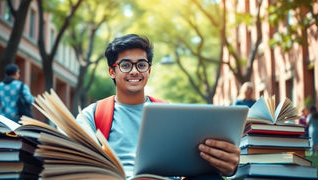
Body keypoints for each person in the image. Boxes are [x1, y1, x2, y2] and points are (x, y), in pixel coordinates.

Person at [76, 34, 240, 179]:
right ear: (112, 71)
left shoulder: (172, 114)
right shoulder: (91, 116)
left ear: (149, 70)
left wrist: (229, 167)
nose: (134, 71)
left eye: (141, 65)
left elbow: (191, 162)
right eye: (125, 65)